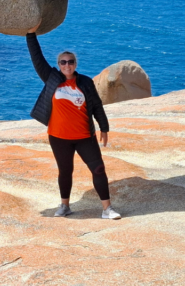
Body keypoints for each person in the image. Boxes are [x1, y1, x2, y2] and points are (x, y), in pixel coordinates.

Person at [26, 24, 120, 219]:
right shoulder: (52, 78)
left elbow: (96, 106)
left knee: (98, 169)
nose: (66, 65)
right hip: (59, 137)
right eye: (63, 62)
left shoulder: (85, 82)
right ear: (59, 64)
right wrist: (30, 34)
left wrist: (104, 128)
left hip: (84, 136)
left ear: (75, 64)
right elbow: (37, 58)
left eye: (70, 62)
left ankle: (107, 209)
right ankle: (65, 206)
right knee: (65, 171)